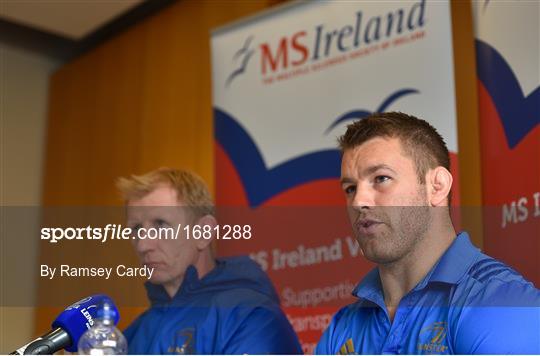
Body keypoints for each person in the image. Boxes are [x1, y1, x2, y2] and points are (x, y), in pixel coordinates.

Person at [316, 112, 540, 354]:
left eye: (381, 178)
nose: (359, 201)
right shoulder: (343, 327)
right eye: (350, 188)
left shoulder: (501, 304)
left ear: (437, 186)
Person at [117, 168, 301, 354]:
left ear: (204, 232)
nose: (143, 245)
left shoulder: (252, 317)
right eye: (137, 229)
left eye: (161, 224)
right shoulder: (132, 336)